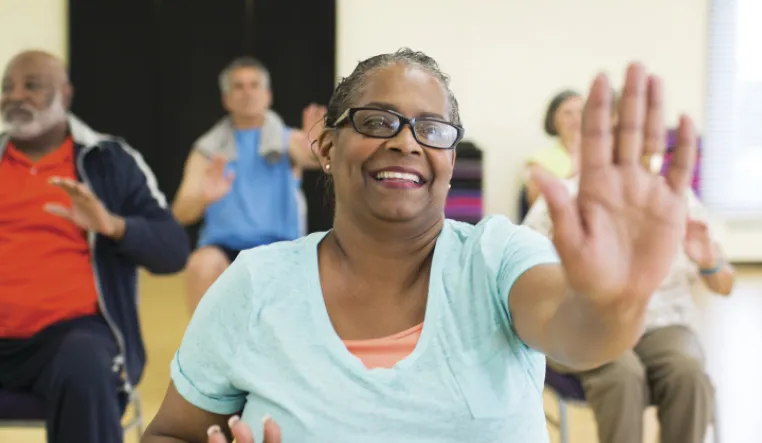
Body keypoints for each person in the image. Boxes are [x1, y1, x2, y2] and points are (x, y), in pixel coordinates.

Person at [142, 48, 699, 443]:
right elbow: (170, 432)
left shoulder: (498, 258)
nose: (407, 141)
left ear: (450, 163)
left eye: (432, 129)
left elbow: (580, 339)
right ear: (328, 147)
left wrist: (615, 298)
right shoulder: (254, 284)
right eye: (379, 120)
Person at [0, 50, 189, 442]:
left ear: (65, 95)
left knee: (85, 364)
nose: (15, 95)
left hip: (70, 339)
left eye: (31, 85)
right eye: (7, 87)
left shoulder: (110, 161)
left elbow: (173, 251)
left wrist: (113, 225)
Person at [523, 154, 733, 443]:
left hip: (662, 325)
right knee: (622, 375)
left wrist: (710, 261)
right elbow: (526, 286)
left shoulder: (678, 200)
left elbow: (724, 284)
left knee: (688, 375)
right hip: (583, 327)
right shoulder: (562, 200)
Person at [171, 56, 324, 313]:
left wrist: (322, 150)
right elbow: (180, 214)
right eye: (238, 86)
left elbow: (314, 158)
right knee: (201, 264)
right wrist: (204, 198)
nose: (247, 92)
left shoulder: (288, 140)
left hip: (281, 249)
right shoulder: (206, 151)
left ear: (268, 95)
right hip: (224, 250)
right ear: (226, 99)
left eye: (254, 85)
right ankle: (205, 352)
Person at [522, 89, 583, 208]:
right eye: (567, 113)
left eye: (581, 112)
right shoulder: (539, 160)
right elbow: (537, 204)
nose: (576, 119)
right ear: (553, 121)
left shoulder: (606, 155)